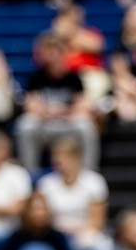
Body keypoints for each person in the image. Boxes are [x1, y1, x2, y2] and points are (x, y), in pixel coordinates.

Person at [16, 34, 100, 173]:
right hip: (45, 126)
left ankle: (89, 174)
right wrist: (50, 112)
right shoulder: (36, 77)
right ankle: (29, 174)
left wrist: (62, 112)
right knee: (26, 125)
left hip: (68, 124)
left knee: (86, 125)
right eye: (48, 53)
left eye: (55, 53)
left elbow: (83, 105)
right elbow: (31, 106)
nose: (52, 58)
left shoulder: (73, 78)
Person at [35, 136, 110, 250]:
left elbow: (98, 222)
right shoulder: (45, 184)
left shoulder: (94, 182)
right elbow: (41, 217)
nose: (58, 162)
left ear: (76, 158)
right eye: (56, 159)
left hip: (84, 234)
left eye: (64, 158)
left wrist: (75, 231)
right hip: (53, 234)